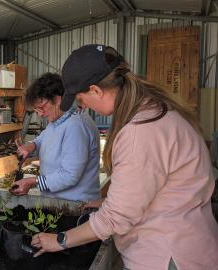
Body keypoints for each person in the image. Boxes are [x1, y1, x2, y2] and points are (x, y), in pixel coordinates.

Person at [30, 44, 218, 270]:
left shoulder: (140, 132)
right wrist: (110, 201)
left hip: (166, 254)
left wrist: (59, 240)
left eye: (81, 99)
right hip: (184, 239)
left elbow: (115, 218)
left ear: (96, 91)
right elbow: (153, 185)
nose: (82, 106)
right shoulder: (154, 110)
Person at [10, 72, 101, 202]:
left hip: (75, 207)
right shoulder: (58, 120)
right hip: (59, 204)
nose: (40, 115)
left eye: (41, 108)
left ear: (58, 99)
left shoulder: (76, 126)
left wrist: (33, 181)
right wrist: (32, 145)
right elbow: (44, 138)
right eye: (37, 111)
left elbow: (69, 176)